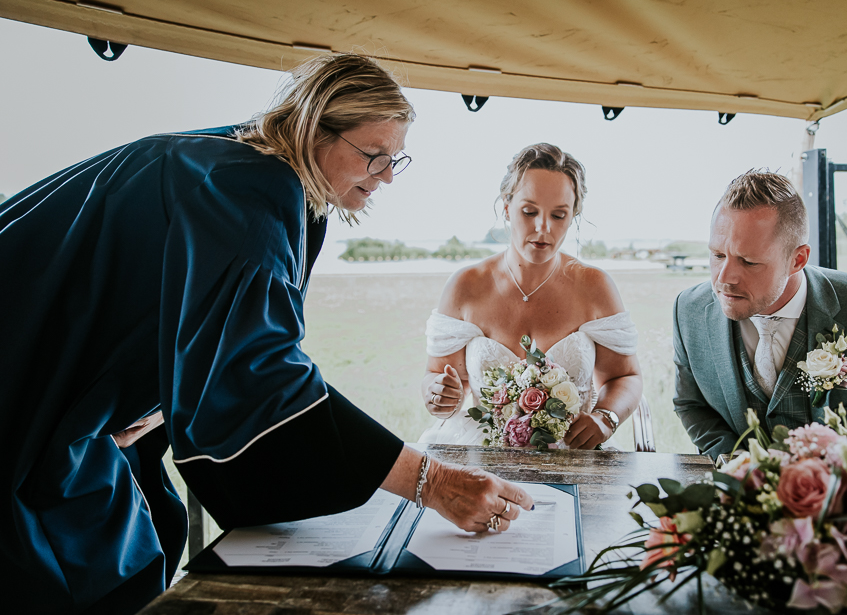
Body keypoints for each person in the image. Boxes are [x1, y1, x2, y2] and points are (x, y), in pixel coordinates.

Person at [0, 54, 532, 615]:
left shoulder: (241, 163)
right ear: (311, 128)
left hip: (68, 391)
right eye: (374, 157)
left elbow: (201, 327)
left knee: (128, 544)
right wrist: (430, 481)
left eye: (396, 158)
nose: (387, 177)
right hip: (22, 384)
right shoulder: (249, 194)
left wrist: (165, 396)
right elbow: (260, 375)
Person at [672, 170, 847, 460]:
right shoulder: (689, 311)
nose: (723, 279)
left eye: (748, 261)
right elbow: (692, 405)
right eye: (717, 255)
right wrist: (737, 465)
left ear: (797, 259)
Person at [418, 144, 643, 449]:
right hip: (482, 450)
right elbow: (438, 377)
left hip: (572, 454)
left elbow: (625, 376)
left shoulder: (595, 287)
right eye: (529, 211)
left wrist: (606, 418)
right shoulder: (466, 286)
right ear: (507, 206)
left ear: (574, 214)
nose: (543, 227)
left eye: (559, 215)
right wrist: (439, 396)